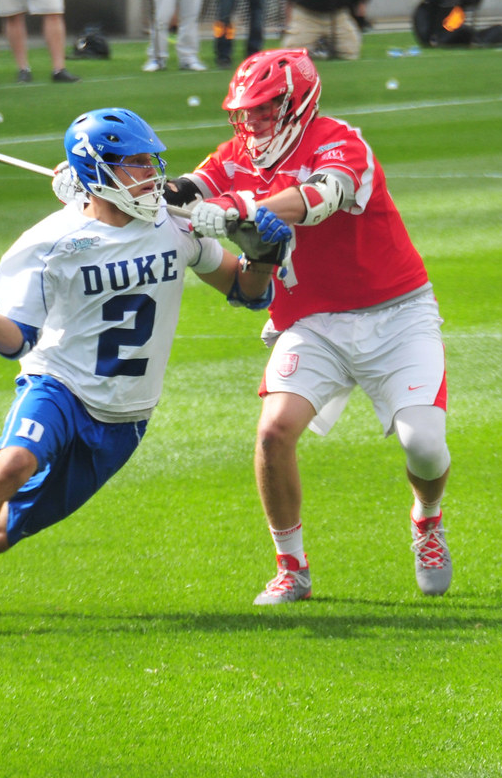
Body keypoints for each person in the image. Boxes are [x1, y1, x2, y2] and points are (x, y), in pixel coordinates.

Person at [0, 106, 284, 631]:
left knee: (1, 532)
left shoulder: (172, 225)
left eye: (151, 161)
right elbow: (15, 340)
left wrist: (264, 255)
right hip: (59, 385)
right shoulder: (48, 242)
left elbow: (247, 291)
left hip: (126, 415)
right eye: (135, 164)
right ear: (98, 172)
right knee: (13, 464)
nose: (153, 175)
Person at [166, 47, 454, 604]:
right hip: (311, 320)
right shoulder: (236, 154)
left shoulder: (340, 141)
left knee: (424, 446)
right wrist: (107, 187)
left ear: (297, 103)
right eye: (243, 112)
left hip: (396, 312)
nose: (250, 123)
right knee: (273, 431)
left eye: (263, 110)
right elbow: (183, 188)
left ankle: (427, 518)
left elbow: (319, 197)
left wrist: (237, 210)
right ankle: (291, 568)